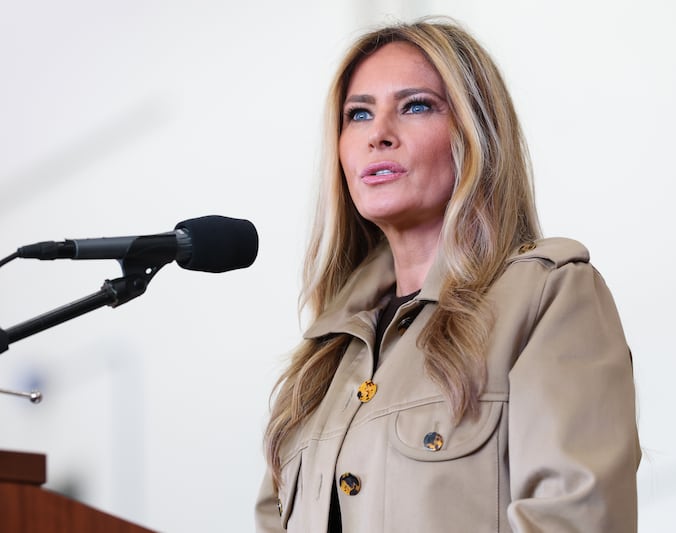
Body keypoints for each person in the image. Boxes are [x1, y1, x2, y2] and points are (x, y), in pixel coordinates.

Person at [256, 17, 640, 533]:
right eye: (358, 114)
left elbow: (575, 517)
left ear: (474, 131)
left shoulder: (547, 294)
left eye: (415, 106)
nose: (379, 136)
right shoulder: (315, 372)